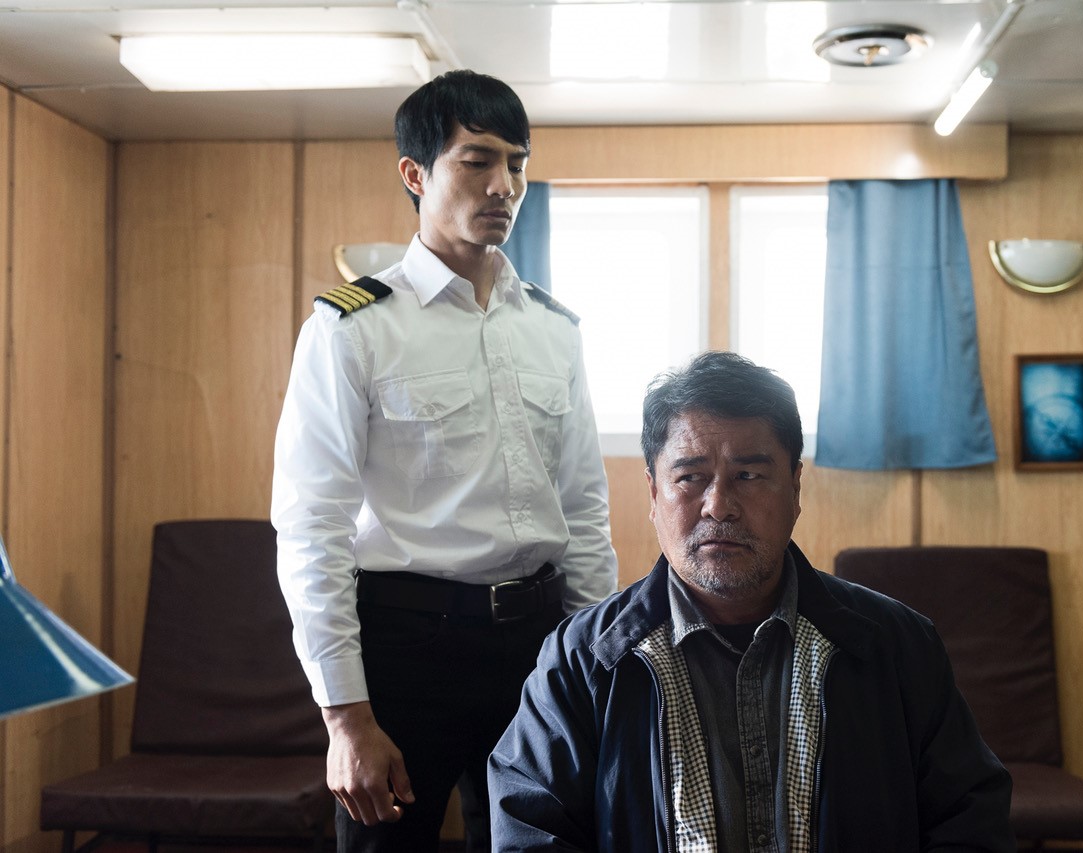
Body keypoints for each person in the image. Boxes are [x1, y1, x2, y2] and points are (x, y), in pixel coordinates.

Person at [272, 69, 618, 853]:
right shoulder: (354, 328)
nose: (505, 185)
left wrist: (591, 667)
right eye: (478, 160)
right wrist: (345, 716)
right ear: (415, 172)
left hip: (536, 647)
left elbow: (583, 510)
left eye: (518, 163)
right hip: (404, 650)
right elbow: (312, 525)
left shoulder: (553, 330)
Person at [489, 350, 1014, 852]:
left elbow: (969, 820)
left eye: (749, 475)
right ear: (653, 494)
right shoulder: (581, 660)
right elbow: (530, 830)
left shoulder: (898, 645)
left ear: (796, 488)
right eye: (690, 477)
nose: (719, 506)